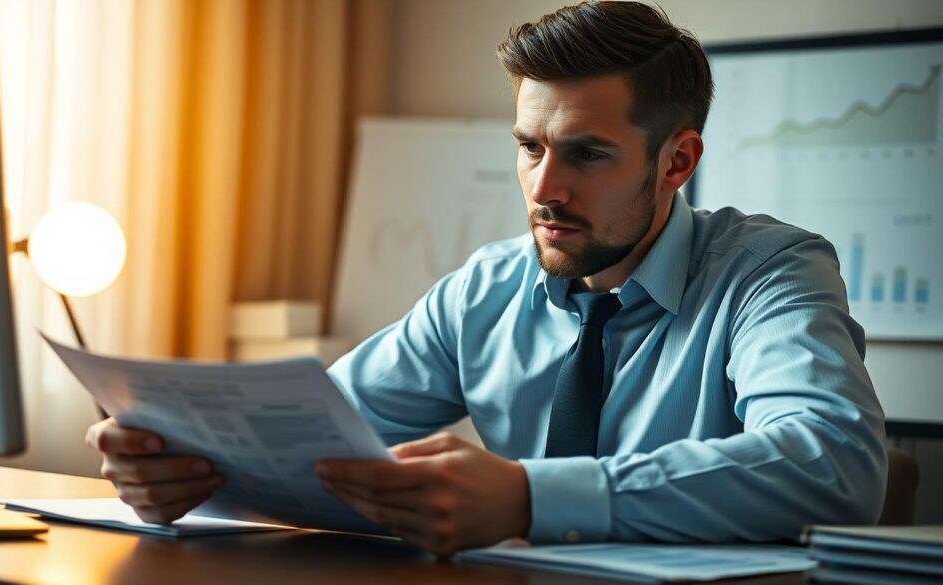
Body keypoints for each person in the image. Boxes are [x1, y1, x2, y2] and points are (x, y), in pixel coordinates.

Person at [86, 0, 887, 557]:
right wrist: (181, 465)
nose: (544, 189)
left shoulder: (769, 272)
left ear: (676, 161)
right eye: (530, 147)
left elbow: (832, 464)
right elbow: (310, 437)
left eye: (586, 153)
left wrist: (530, 497)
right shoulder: (485, 290)